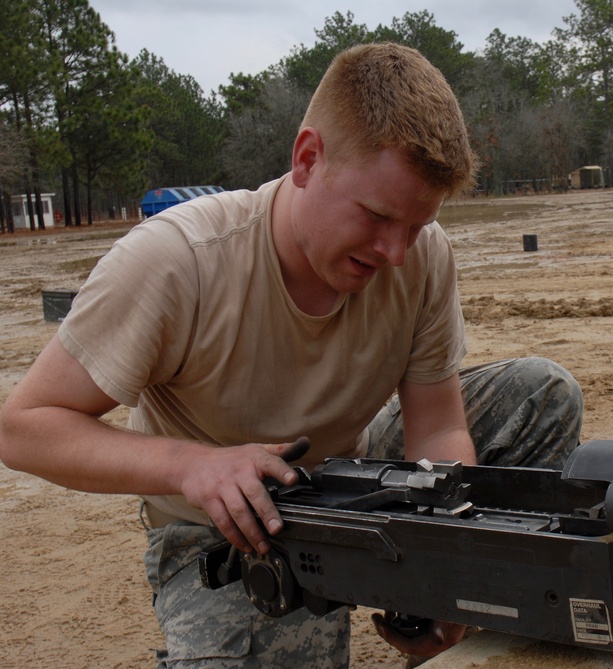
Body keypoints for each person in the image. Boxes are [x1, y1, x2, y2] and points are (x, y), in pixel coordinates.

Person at [0, 43, 582, 668]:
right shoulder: (178, 261)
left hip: (352, 478)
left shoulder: (421, 255)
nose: (395, 252)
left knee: (542, 395)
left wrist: (451, 568)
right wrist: (194, 467)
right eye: (378, 216)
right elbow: (25, 428)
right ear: (307, 159)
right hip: (231, 526)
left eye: (416, 225)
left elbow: (437, 426)